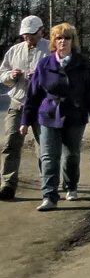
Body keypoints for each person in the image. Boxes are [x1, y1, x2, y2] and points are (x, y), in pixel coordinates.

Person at [21, 23, 90, 211]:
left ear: (73, 41)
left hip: (75, 114)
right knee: (48, 156)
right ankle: (49, 196)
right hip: (48, 115)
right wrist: (25, 121)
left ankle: (71, 186)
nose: (62, 41)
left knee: (71, 155)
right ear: (53, 42)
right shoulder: (44, 64)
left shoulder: (83, 63)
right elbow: (33, 95)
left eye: (66, 38)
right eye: (58, 38)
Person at [1, 16, 50, 200]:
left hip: (42, 104)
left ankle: (48, 183)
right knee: (11, 142)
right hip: (18, 101)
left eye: (31, 35)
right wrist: (10, 76)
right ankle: (7, 183)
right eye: (25, 36)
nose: (28, 39)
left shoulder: (51, 48)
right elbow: (2, 73)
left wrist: (40, 75)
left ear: (41, 31)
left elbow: (60, 72)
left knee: (44, 146)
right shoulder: (14, 51)